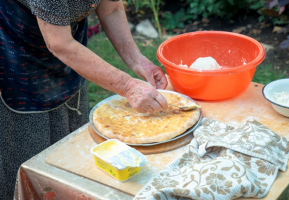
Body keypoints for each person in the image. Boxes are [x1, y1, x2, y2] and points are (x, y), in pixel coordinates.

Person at [0, 0, 168, 198]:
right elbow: (60, 44)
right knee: (30, 154)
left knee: (73, 150)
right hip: (18, 56)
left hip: (69, 52)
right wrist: (128, 87)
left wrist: (138, 61)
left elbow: (111, 8)